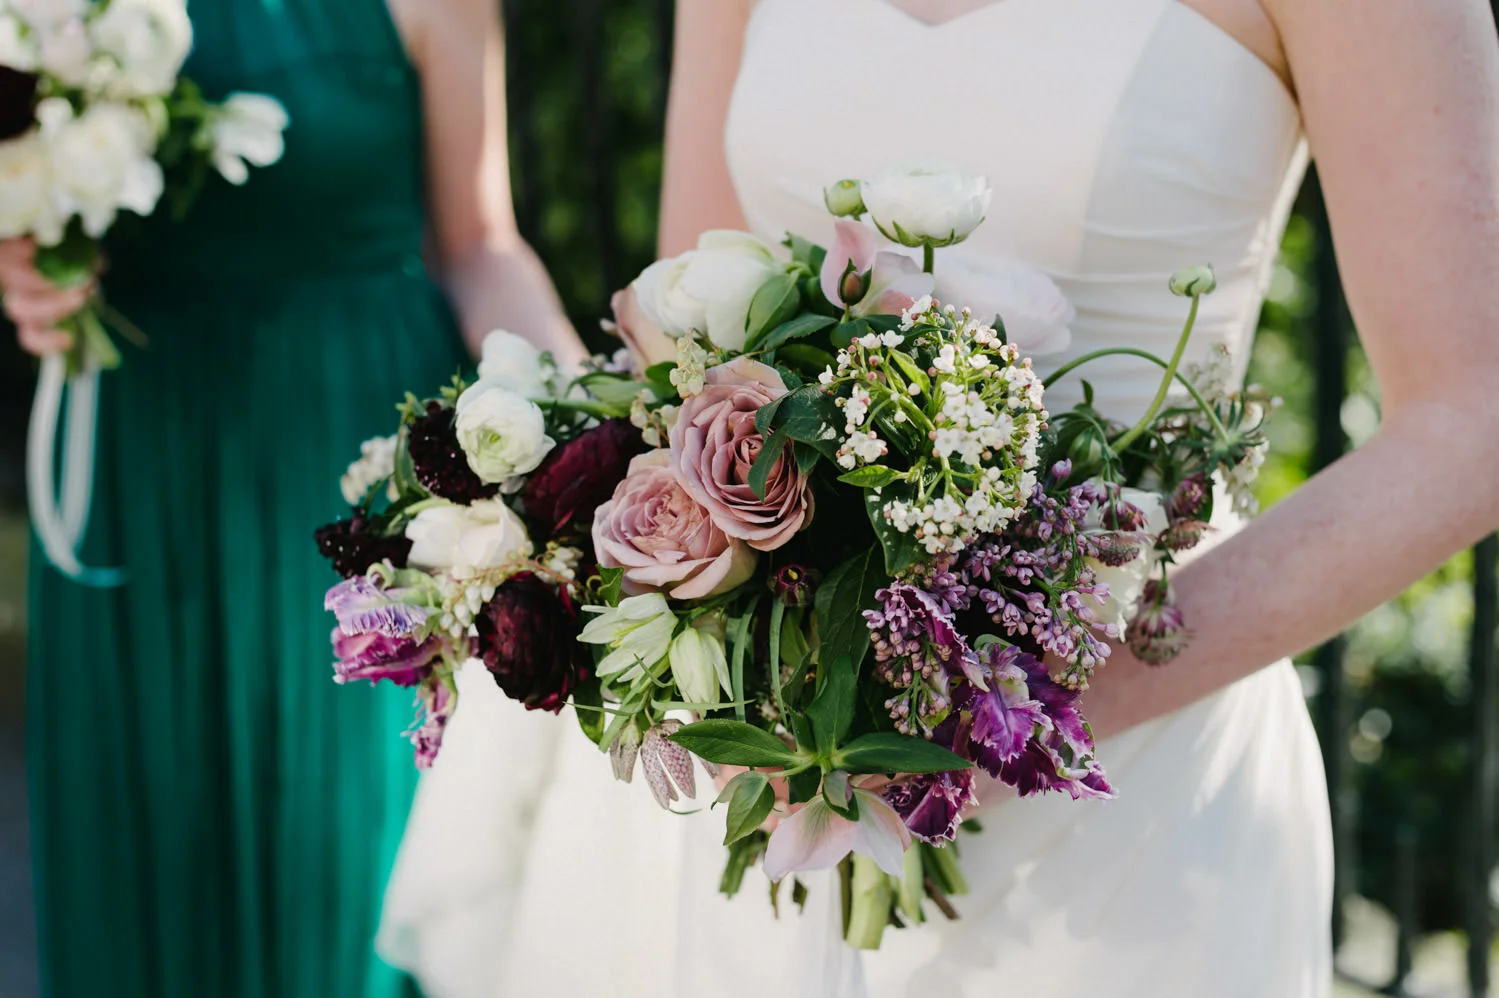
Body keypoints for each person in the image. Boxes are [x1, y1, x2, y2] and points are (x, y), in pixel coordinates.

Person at [468, 0, 1499, 996]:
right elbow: (683, 298)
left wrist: (1018, 710)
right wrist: (772, 649)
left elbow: (1470, 424)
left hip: (1129, 780)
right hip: (778, 753)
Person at [1, 0, 585, 994]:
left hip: (348, 476)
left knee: (352, 849)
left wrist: (584, 423)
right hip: (144, 477)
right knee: (147, 845)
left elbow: (478, 242)